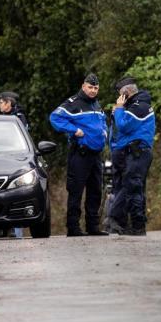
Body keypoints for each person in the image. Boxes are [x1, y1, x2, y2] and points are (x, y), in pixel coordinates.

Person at [49, 74, 109, 237]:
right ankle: (73, 227)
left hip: (96, 155)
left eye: (96, 88)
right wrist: (74, 130)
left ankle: (92, 227)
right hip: (80, 154)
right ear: (84, 86)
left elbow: (103, 122)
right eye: (90, 87)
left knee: (95, 191)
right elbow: (55, 118)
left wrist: (104, 132)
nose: (93, 90)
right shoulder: (73, 103)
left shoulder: (96, 104)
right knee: (76, 191)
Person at [105, 77, 156, 236]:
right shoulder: (134, 105)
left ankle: (137, 226)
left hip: (138, 153)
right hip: (132, 153)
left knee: (132, 188)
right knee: (133, 188)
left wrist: (119, 109)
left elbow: (124, 126)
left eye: (121, 94)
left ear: (126, 92)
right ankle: (129, 224)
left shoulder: (139, 106)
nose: (119, 98)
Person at [0, 91, 27, 238]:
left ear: (8, 104)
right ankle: (4, 230)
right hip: (1, 160)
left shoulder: (18, 119)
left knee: (15, 194)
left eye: (1, 102)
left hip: (15, 160)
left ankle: (17, 232)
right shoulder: (4, 118)